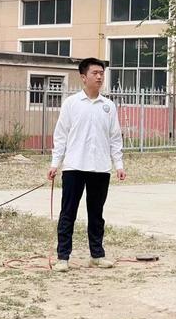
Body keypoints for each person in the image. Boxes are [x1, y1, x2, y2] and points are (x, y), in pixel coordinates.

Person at [47, 58, 126, 272]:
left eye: (101, 73)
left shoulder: (108, 106)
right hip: (74, 166)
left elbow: (115, 138)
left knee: (96, 213)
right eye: (95, 73)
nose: (99, 76)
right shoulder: (71, 104)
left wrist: (118, 164)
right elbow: (61, 136)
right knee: (68, 213)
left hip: (100, 168)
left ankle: (97, 255)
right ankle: (63, 257)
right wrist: (56, 163)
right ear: (83, 77)